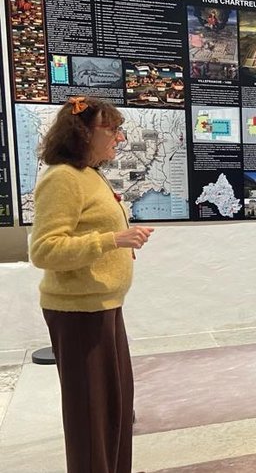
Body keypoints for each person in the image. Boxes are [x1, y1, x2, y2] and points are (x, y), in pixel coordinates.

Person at [29, 97, 155, 473]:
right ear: (82, 132)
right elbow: (44, 250)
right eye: (111, 130)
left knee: (115, 407)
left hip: (102, 306)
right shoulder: (62, 178)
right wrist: (112, 240)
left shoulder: (87, 174)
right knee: (91, 417)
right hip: (78, 313)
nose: (119, 138)